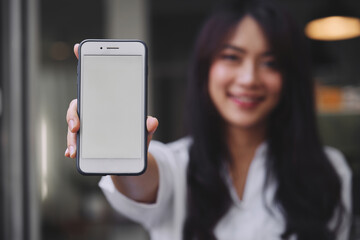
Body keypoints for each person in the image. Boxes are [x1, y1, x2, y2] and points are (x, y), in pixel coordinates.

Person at [65, 1, 352, 239]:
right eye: (232, 57)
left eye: (270, 62)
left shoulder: (330, 171)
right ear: (206, 68)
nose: (249, 78)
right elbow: (142, 178)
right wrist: (118, 137)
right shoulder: (177, 165)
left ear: (290, 77)